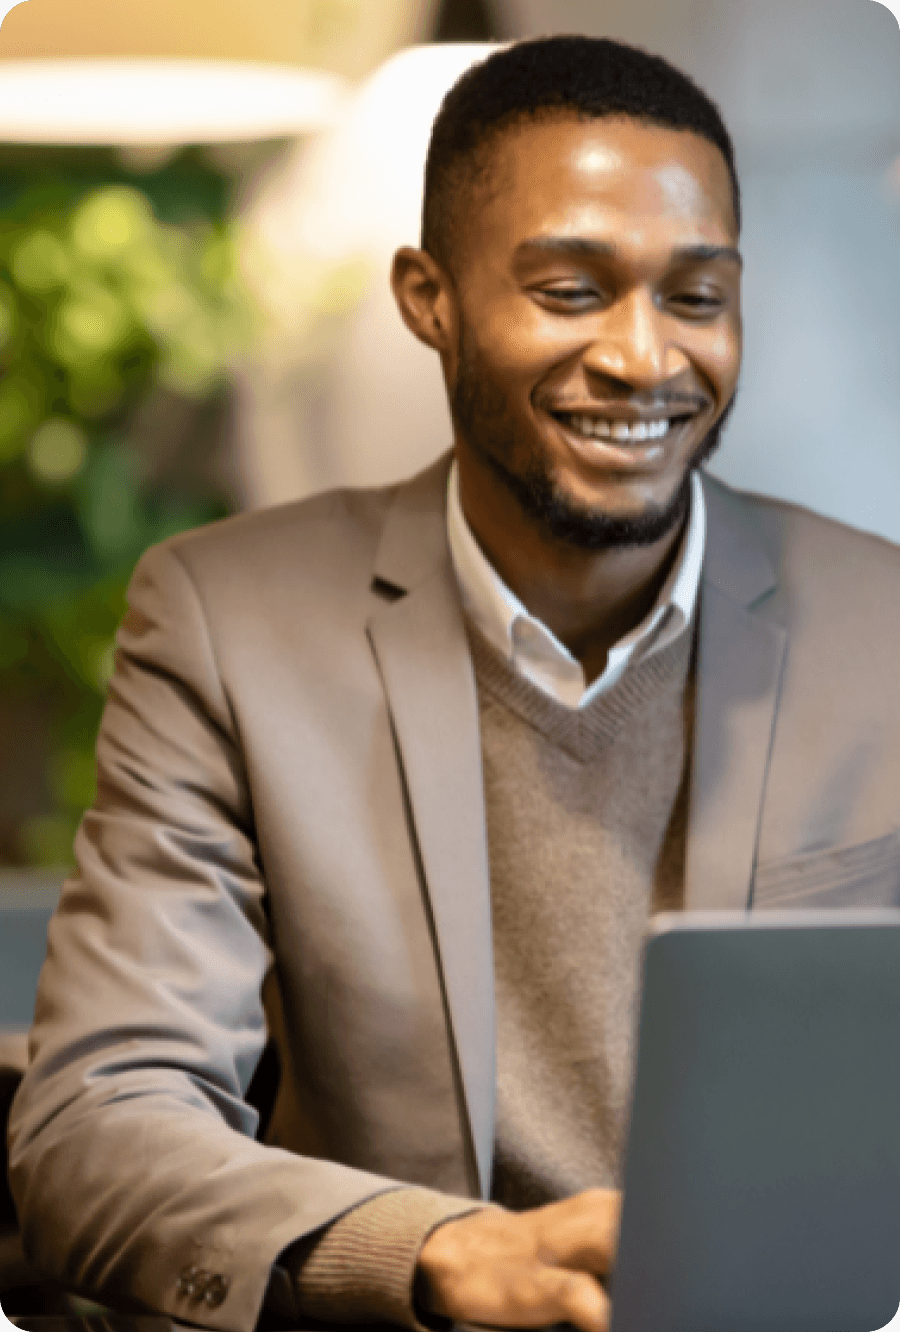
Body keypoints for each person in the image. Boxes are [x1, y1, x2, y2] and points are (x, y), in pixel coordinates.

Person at [8, 33, 900, 1332]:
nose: (646, 358)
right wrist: (437, 1256)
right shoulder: (226, 624)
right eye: (571, 289)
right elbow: (96, 1128)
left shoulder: (885, 628)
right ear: (428, 297)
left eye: (696, 298)